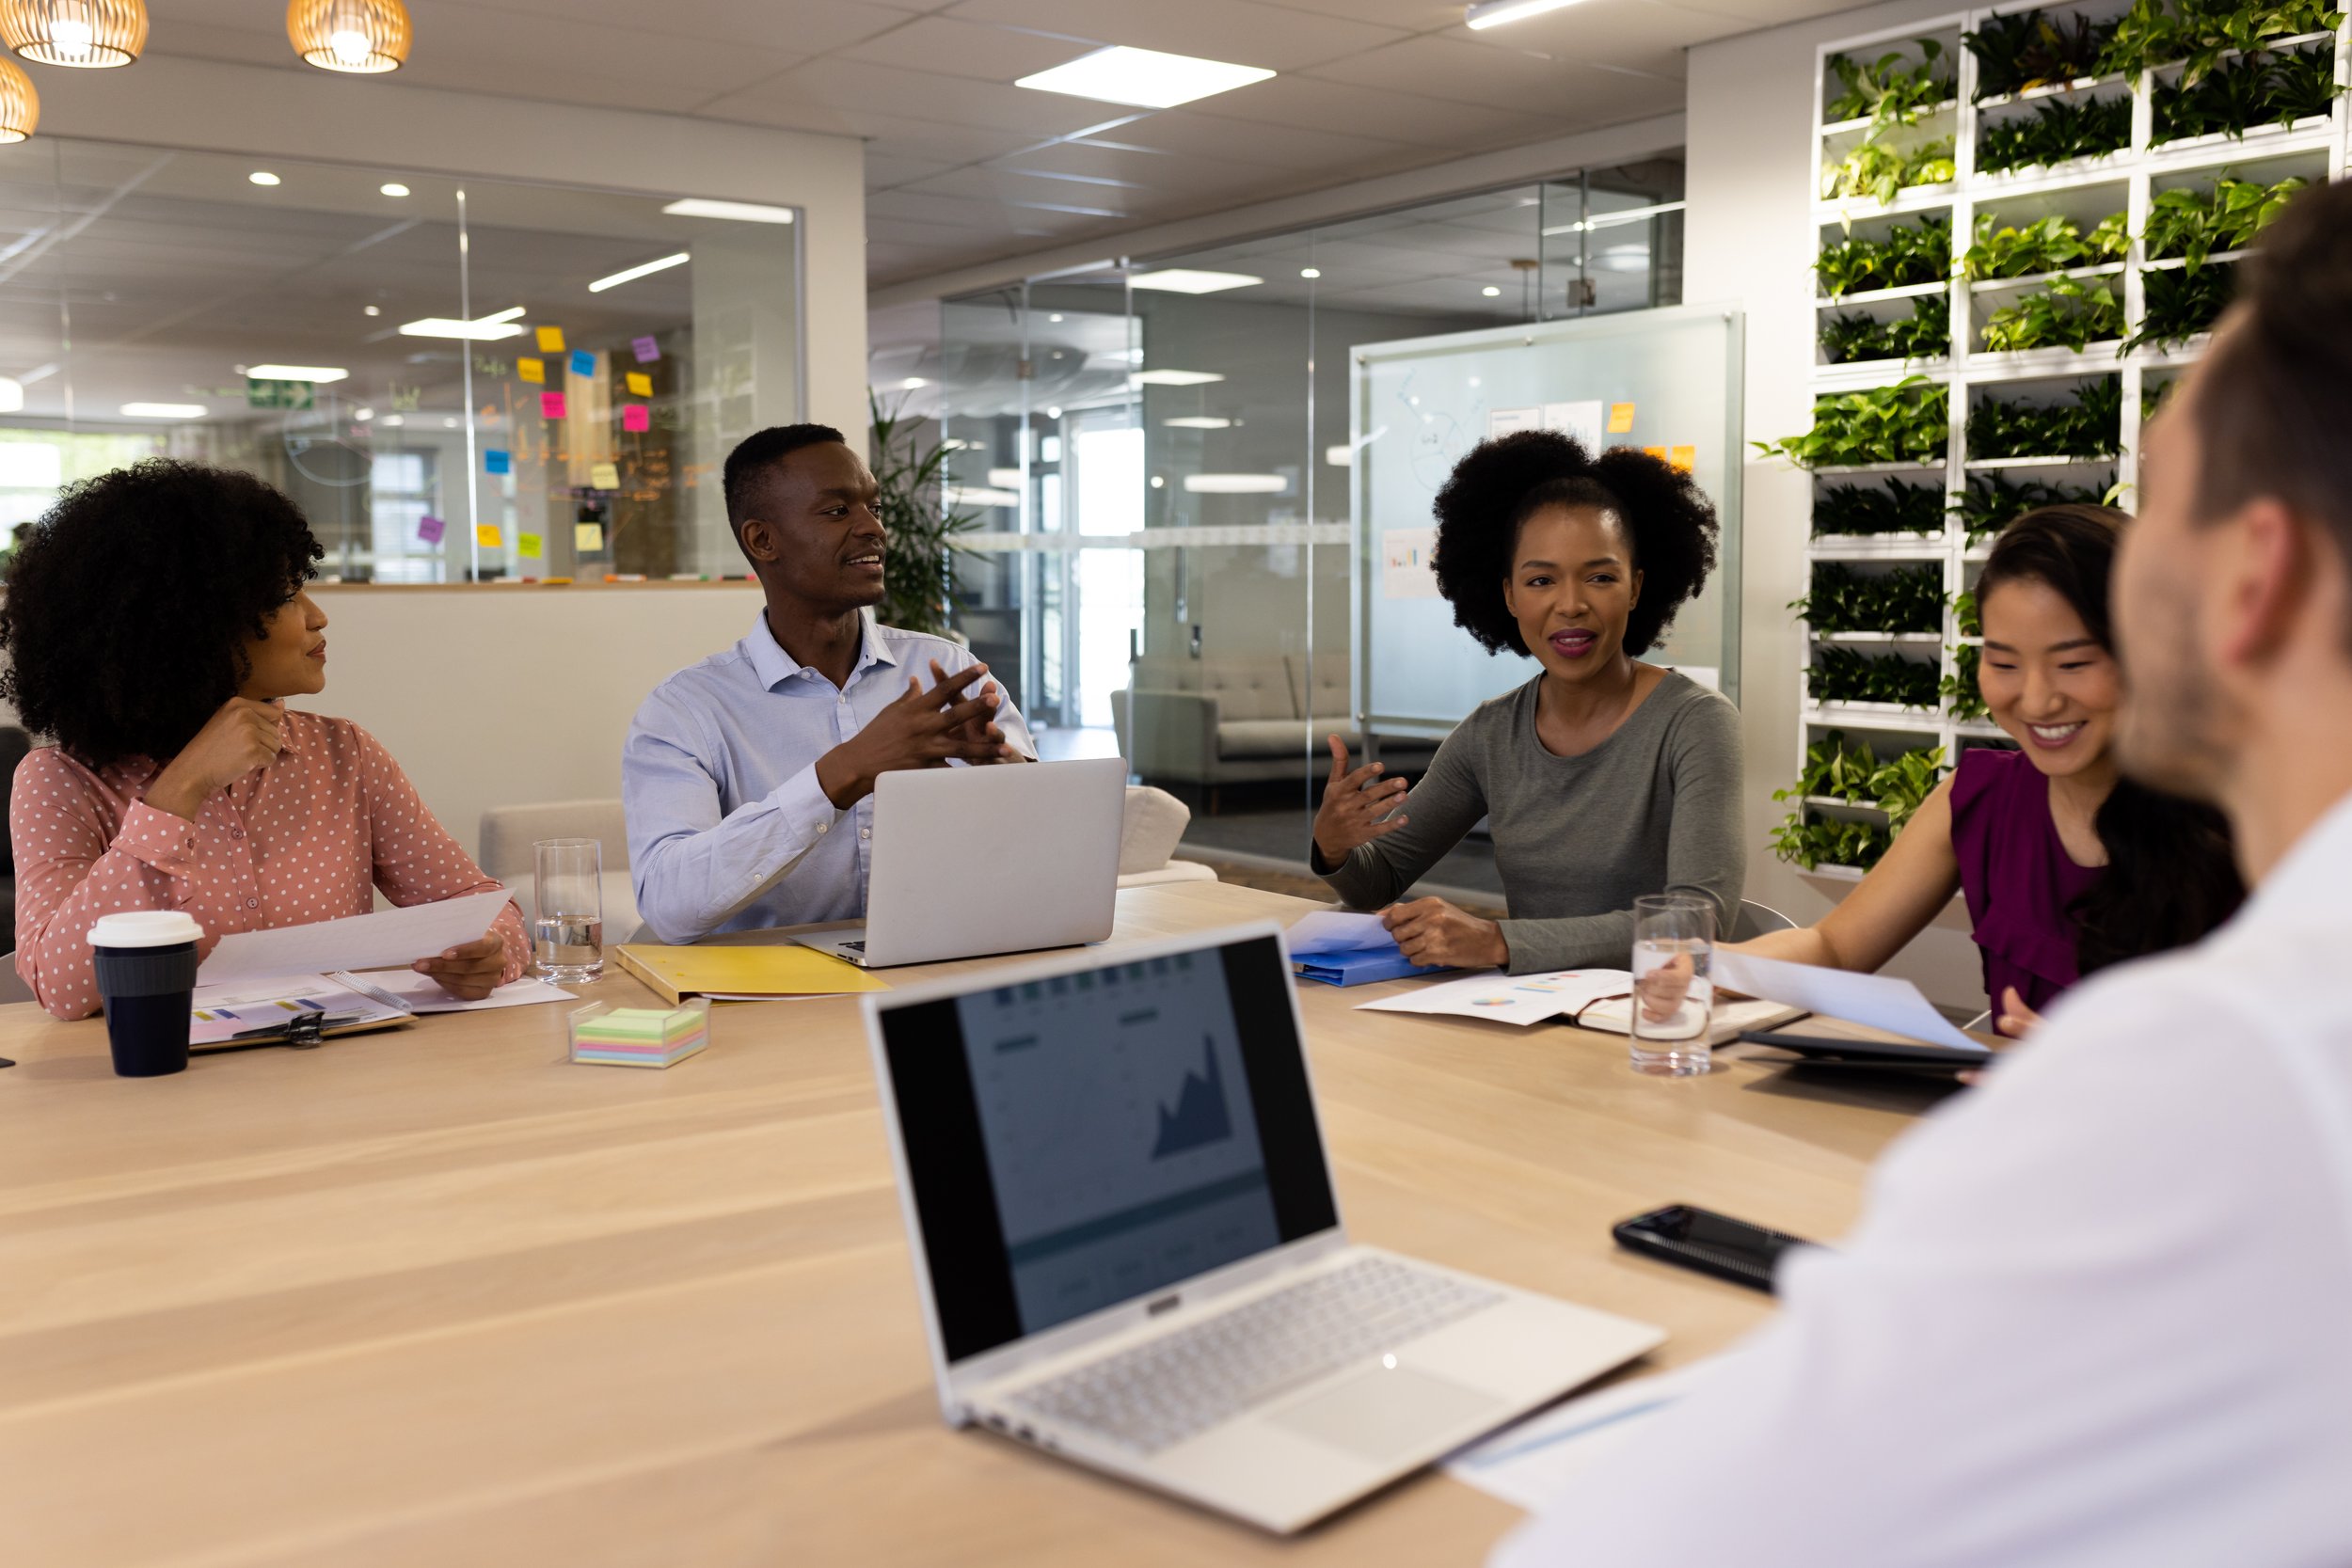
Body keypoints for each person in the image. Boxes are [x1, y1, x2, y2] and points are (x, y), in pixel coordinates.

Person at [1493, 182, 2352, 1567]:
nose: (2041, 690)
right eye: (2005, 660)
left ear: (2255, 576)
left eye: (2160, 518)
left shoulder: (2222, 1064)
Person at [2, 461, 526, 1022]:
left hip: (337, 1064)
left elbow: (476, 904)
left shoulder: (345, 754)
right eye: (283, 598)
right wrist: (180, 790)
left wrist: (489, 952)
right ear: (191, 626)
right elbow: (62, 987)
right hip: (161, 1071)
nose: (318, 617)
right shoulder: (60, 781)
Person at [1729, 506, 2241, 1035]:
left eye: (2073, 664)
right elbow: (1833, 946)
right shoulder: (1984, 797)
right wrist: (1707, 965)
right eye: (2004, 664)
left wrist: (2098, 1063)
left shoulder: (2241, 820)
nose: (2037, 700)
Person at [1312, 432, 1742, 974]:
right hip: (1530, 1008)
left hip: (1655, 1009)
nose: (1571, 604)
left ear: (1635, 588)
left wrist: (1501, 942)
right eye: (1541, 580)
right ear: (1510, 596)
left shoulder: (1695, 723)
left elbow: (1697, 922)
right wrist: (1333, 844)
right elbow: (1378, 879)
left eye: (1600, 577)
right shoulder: (1491, 734)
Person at [624, 423, 1033, 943]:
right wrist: (843, 772)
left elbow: (1043, 848)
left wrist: (1001, 774)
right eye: (838, 511)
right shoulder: (686, 710)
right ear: (763, 540)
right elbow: (668, 902)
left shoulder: (948, 669)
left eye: (874, 508)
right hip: (770, 985)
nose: (873, 528)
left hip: (938, 964)